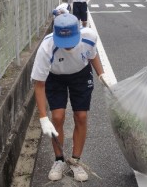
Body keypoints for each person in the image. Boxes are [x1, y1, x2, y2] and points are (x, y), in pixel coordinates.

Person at [31, 13, 111, 182]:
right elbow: (39, 84)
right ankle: (59, 160)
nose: (67, 47)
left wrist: (101, 74)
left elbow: (92, 54)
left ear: (78, 32)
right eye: (64, 43)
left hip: (80, 75)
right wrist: (43, 117)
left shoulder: (88, 36)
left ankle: (76, 161)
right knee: (57, 117)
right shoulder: (47, 47)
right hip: (55, 77)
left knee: (81, 116)